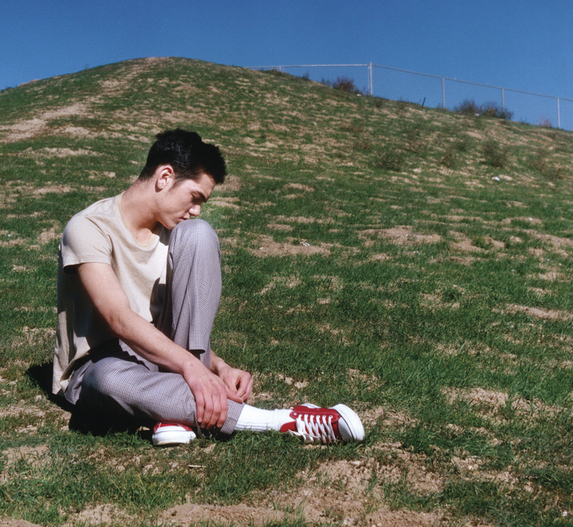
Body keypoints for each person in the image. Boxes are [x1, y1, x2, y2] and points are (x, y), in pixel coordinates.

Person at [53, 128, 364, 447]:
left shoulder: (178, 234)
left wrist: (218, 367)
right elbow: (118, 318)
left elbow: (169, 329)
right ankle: (282, 421)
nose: (197, 209)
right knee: (108, 381)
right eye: (195, 197)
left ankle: (173, 412)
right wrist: (195, 370)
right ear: (164, 177)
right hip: (100, 364)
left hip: (164, 360)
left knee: (199, 233)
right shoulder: (88, 227)